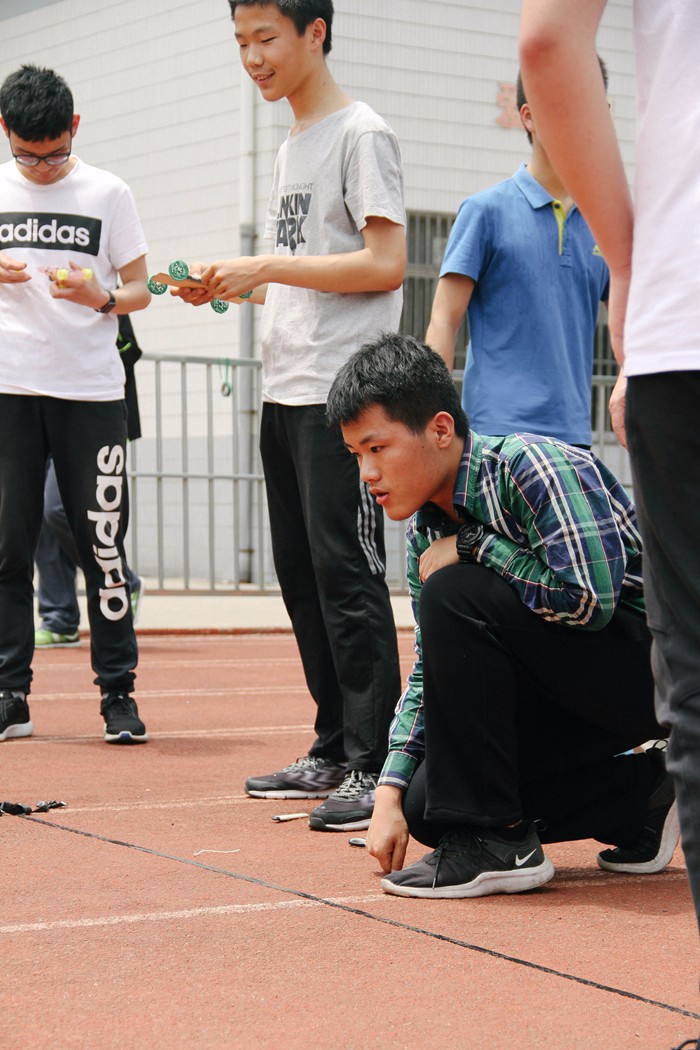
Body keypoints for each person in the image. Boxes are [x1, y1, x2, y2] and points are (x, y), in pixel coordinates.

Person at [325, 334, 678, 898]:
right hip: (571, 690)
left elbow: (589, 600)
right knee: (430, 803)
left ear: (441, 430)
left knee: (457, 592)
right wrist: (388, 791)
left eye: (377, 448)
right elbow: (429, 670)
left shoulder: (533, 467)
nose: (366, 474)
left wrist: (474, 547)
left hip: (654, 669)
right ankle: (645, 796)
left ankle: (500, 843)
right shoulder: (426, 531)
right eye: (356, 456)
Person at [173, 0, 405, 831]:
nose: (252, 58)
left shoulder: (360, 133)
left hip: (343, 397)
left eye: (265, 38)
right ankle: (335, 746)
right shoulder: (290, 145)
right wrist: (236, 284)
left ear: (317, 32)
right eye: (240, 41)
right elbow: (312, 273)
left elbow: (385, 262)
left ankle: (380, 765)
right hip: (287, 388)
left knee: (347, 577)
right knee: (303, 577)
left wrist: (266, 261)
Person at [0, 64, 150, 744]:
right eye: (28, 155)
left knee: (103, 545)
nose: (42, 167)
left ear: (75, 129)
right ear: (5, 132)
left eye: (55, 153)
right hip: (9, 386)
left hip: (90, 391)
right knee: (7, 546)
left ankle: (118, 694)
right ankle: (10, 695)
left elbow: (143, 289)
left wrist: (102, 297)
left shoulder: (108, 191)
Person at [425, 63, 609, 447]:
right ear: (528, 116)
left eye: (591, 105)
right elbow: (444, 320)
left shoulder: (606, 222)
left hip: (575, 440)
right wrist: (432, 419)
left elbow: (639, 321)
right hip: (494, 436)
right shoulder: (484, 211)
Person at [34, 315, 145, 649]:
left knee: (58, 508)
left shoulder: (93, 278)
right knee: (39, 509)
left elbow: (128, 347)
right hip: (34, 406)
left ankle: (118, 578)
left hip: (93, 412)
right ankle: (59, 617)